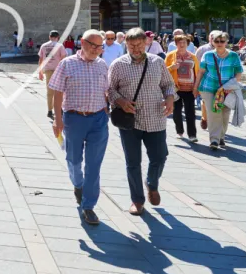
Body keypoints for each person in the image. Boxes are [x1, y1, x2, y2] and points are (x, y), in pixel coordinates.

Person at [108, 28, 175, 216]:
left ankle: (152, 183)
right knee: (133, 162)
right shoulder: (118, 65)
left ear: (146, 43)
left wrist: (170, 98)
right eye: (131, 46)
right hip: (130, 121)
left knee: (160, 156)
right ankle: (137, 200)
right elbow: (110, 90)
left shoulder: (157, 62)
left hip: (156, 118)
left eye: (138, 45)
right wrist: (120, 101)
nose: (135, 49)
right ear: (126, 45)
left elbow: (168, 85)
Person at [48, 30, 109, 226]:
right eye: (94, 45)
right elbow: (57, 92)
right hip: (73, 119)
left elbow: (107, 91)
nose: (97, 50)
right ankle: (77, 184)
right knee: (74, 160)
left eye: (100, 47)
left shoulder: (102, 65)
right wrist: (57, 119)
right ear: (82, 43)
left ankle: (89, 206)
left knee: (94, 164)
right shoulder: (67, 63)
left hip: (98, 119)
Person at [193, 30, 242, 150]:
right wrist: (195, 87)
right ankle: (214, 140)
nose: (219, 43)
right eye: (216, 41)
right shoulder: (208, 55)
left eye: (222, 41)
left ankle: (221, 136)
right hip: (209, 88)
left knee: (225, 114)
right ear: (213, 42)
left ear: (227, 42)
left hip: (227, 90)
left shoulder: (233, 56)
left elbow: (238, 74)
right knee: (213, 112)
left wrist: (230, 86)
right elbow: (201, 72)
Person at [165, 35, 200, 142]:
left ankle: (192, 135)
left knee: (190, 112)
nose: (182, 44)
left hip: (190, 89)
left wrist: (196, 87)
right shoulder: (170, 56)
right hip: (175, 89)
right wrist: (172, 67)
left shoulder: (192, 56)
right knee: (176, 112)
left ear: (187, 44)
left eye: (184, 42)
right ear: (176, 44)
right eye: (179, 42)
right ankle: (179, 131)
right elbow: (163, 71)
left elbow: (198, 72)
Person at [38, 30, 68, 119]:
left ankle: (49, 111)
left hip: (47, 70)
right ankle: (58, 110)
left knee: (49, 92)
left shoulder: (44, 45)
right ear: (58, 37)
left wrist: (40, 72)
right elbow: (63, 58)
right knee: (59, 91)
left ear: (49, 36)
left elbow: (40, 60)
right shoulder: (60, 46)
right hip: (58, 70)